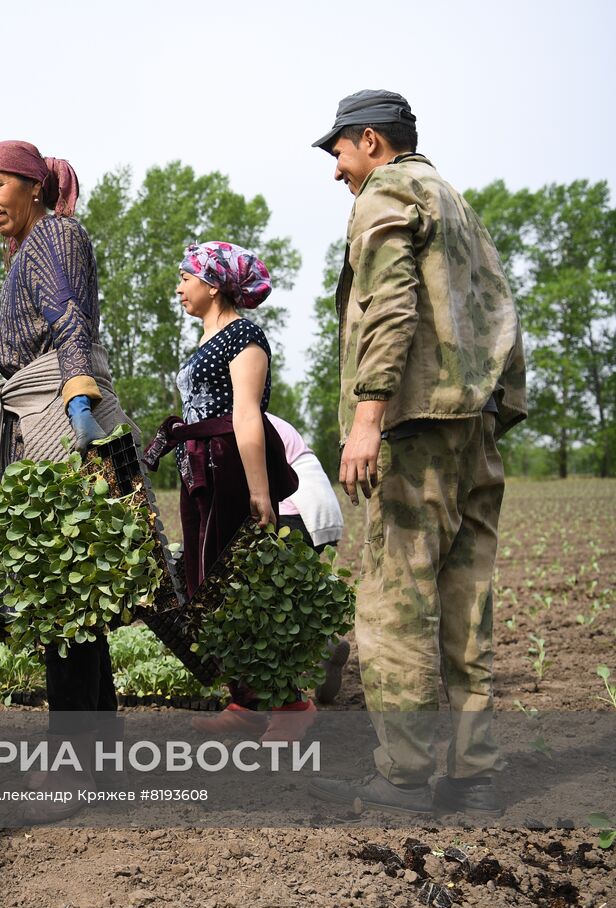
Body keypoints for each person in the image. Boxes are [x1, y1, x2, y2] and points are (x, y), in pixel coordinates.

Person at [305, 90, 526, 817]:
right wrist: (495, 408)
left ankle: (400, 779)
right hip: (475, 428)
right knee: (468, 608)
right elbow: (502, 308)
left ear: (370, 140)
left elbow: (391, 302)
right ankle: (475, 776)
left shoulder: (388, 190)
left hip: (415, 427)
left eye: (338, 151)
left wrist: (368, 415)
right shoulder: (456, 202)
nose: (338, 170)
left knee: (396, 607)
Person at [0, 140, 139, 823]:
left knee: (66, 601)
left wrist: (76, 396)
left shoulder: (56, 234)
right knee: (75, 602)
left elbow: (71, 317)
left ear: (34, 186)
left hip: (60, 424)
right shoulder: (31, 246)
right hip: (41, 413)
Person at [144, 242, 308, 743]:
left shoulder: (246, 336)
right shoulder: (208, 340)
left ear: (212, 284)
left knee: (243, 585)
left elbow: (247, 416)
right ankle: (247, 700)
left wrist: (261, 492)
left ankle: (292, 704)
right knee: (205, 587)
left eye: (184, 277)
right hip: (198, 469)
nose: (178, 287)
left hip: (231, 468)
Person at [265, 412, 350, 704]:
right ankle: (322, 646)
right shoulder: (272, 418)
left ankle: (289, 698)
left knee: (272, 603)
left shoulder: (244, 418)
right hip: (318, 507)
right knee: (293, 594)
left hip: (292, 507)